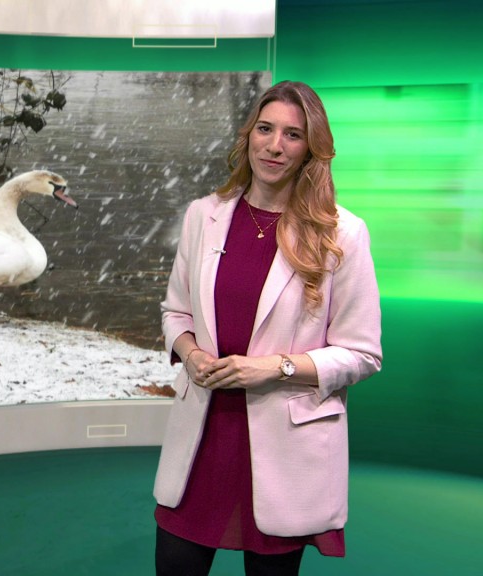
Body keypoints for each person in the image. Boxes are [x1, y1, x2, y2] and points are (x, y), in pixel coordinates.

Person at [152, 80, 382, 576]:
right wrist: (190, 355)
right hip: (202, 439)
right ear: (249, 135)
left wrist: (274, 369)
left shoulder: (343, 233)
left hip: (284, 444)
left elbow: (362, 354)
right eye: (266, 129)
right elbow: (176, 313)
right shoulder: (203, 216)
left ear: (310, 150)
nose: (275, 146)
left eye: (293, 135)